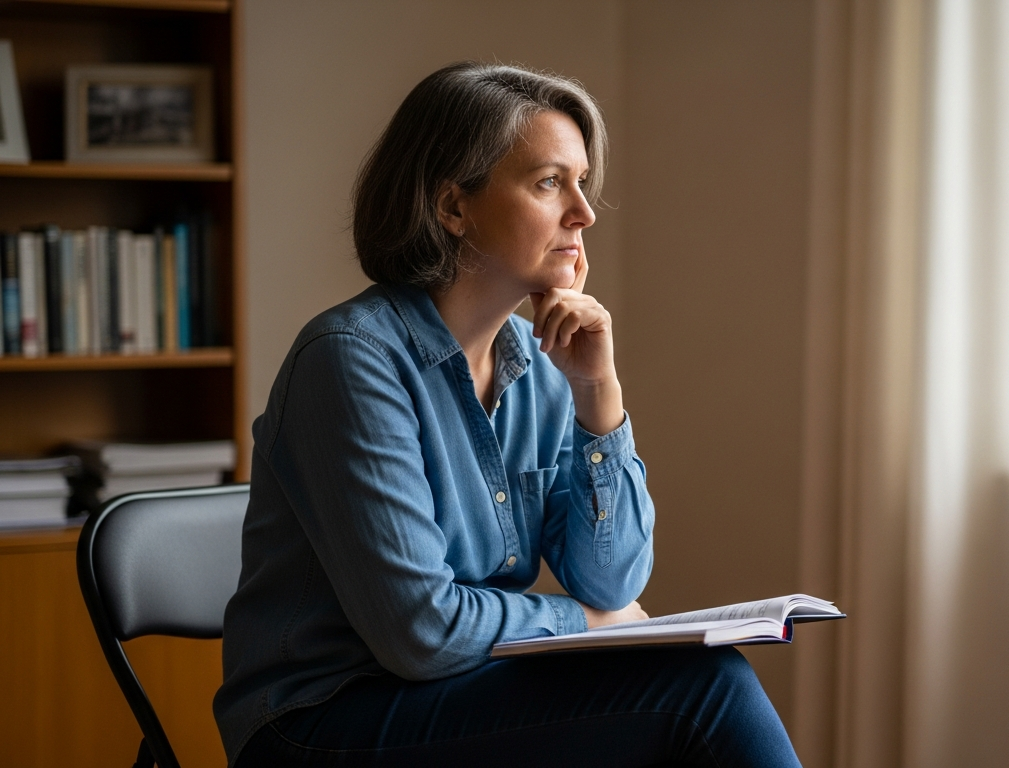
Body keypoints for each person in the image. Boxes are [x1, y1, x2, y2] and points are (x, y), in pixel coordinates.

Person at [213, 62, 802, 767]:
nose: (583, 213)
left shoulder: (540, 361)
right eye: (550, 183)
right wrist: (588, 623)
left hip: (459, 690)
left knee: (697, 686)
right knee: (704, 692)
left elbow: (612, 581)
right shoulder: (349, 360)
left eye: (582, 183)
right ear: (453, 207)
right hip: (319, 721)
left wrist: (597, 394)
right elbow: (422, 632)